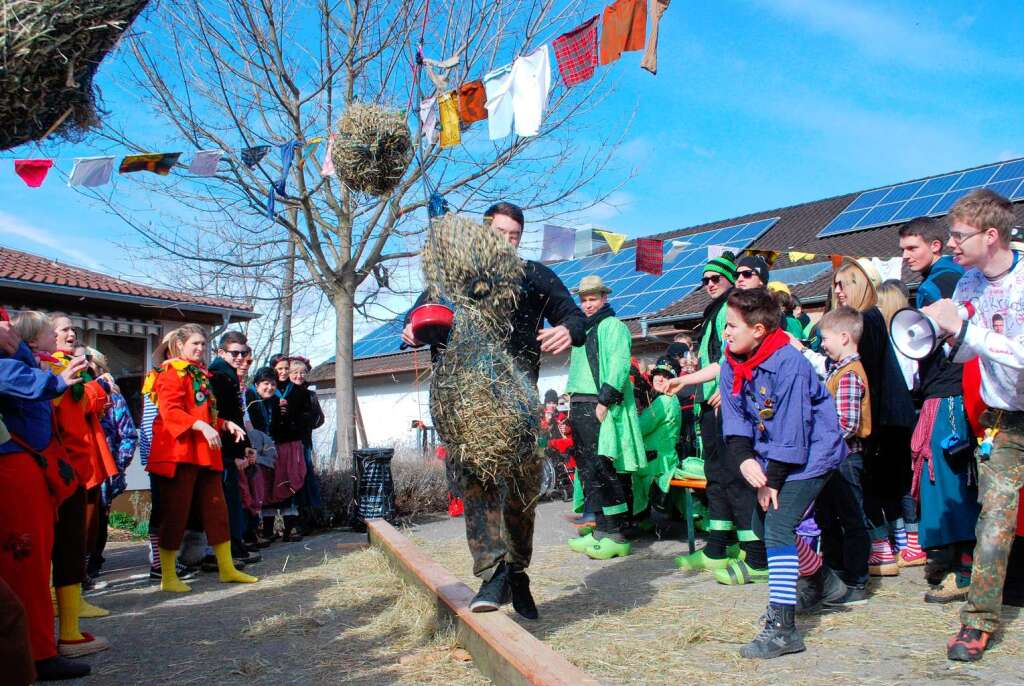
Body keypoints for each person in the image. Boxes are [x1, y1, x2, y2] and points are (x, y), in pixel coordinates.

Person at [401, 201, 585, 619]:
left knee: (522, 494)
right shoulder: (453, 276)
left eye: (514, 236)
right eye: (499, 233)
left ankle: (516, 571)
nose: (506, 241)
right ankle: (493, 573)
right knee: (476, 486)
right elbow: (419, 317)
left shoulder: (532, 275)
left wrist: (569, 331)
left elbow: (572, 313)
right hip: (462, 408)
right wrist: (411, 329)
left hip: (517, 403)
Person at [920, 189, 1024, 661]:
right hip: (1006, 423)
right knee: (994, 521)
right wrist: (938, 336)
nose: (952, 245)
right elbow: (965, 351)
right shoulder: (966, 284)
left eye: (959, 236)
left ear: (991, 234)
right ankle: (979, 621)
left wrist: (968, 332)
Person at [719, 289, 846, 659]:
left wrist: (771, 480)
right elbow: (736, 415)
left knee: (776, 525)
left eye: (731, 326)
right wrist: (743, 457)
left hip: (810, 454)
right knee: (762, 527)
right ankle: (824, 582)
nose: (725, 333)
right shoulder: (733, 362)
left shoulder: (789, 363)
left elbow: (793, 429)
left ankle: (783, 629)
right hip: (771, 453)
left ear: (758, 329)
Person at [670, 252, 771, 586]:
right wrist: (688, 378)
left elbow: (736, 357)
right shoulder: (715, 313)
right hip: (713, 406)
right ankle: (719, 546)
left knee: (738, 477)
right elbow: (721, 358)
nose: (710, 284)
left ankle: (754, 552)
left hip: (732, 408)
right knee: (717, 477)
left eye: (718, 278)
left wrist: (726, 390)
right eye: (706, 280)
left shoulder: (743, 313)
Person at [2, 314, 93, 679]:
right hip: (16, 470)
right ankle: (35, 654)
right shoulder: (16, 364)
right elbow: (17, 379)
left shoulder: (26, 359)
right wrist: (57, 381)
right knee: (25, 562)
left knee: (37, 560)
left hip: (36, 468)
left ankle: (38, 648)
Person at [899, 216, 979, 603]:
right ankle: (949, 560)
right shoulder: (945, 278)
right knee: (941, 479)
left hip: (949, 395)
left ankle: (964, 570)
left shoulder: (944, 282)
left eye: (912, 248)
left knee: (948, 480)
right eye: (902, 249)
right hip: (944, 392)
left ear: (935, 246)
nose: (905, 256)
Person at [144, 324, 256, 592]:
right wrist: (200, 426)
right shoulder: (170, 372)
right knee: (176, 513)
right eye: (195, 344)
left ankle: (227, 568)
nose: (200, 349)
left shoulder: (201, 375)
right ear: (180, 345)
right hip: (180, 454)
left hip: (206, 455)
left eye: (203, 344)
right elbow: (170, 412)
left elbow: (206, 414)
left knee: (217, 511)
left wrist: (225, 424)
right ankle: (168, 576)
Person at [831, 259, 916, 576]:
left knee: (874, 486)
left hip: (879, 418)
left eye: (844, 284)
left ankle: (883, 550)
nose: (838, 291)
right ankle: (904, 544)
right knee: (893, 485)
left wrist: (868, 427)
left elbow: (868, 379)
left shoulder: (866, 319)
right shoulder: (873, 318)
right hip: (889, 415)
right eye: (836, 285)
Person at [44, 314, 117, 653]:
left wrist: (95, 387)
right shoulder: (53, 369)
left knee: (82, 535)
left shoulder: (76, 367)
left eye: (73, 329)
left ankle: (71, 601)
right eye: (64, 330)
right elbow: (84, 403)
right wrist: (98, 386)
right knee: (66, 537)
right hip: (67, 463)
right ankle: (63, 613)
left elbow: (97, 407)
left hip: (83, 459)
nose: (71, 334)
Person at [793, 307, 872, 609]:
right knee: (829, 518)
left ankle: (856, 581)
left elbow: (847, 423)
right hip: (832, 460)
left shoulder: (850, 374)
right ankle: (836, 574)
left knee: (851, 518)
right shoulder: (839, 370)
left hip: (844, 459)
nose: (822, 344)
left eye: (824, 339)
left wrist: (821, 441)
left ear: (844, 337)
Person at [564, 275, 646, 560]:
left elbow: (620, 364)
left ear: (604, 298)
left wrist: (605, 400)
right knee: (588, 470)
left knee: (604, 467)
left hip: (598, 404)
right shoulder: (583, 330)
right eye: (584, 299)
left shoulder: (613, 327)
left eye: (593, 299)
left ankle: (615, 532)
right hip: (580, 403)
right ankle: (599, 529)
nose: (588, 305)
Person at [209, 331, 261, 566]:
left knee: (233, 500)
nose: (241, 357)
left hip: (230, 448)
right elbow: (224, 417)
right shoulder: (219, 376)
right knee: (226, 502)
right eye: (235, 353)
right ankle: (227, 552)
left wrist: (246, 447)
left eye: (244, 353)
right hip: (221, 449)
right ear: (221, 353)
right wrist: (236, 453)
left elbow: (237, 417)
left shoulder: (229, 375)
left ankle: (235, 548)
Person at [87, 348, 139, 581]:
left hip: (105, 468)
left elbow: (128, 435)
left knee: (98, 518)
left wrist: (117, 468)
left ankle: (92, 563)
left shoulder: (113, 398)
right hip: (82, 464)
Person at [247, 365, 310, 542]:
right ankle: (252, 535)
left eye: (273, 384)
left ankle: (264, 533)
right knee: (254, 491)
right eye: (265, 383)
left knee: (272, 486)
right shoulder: (249, 398)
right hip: (251, 451)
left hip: (269, 450)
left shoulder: (275, 402)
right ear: (257, 384)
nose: (270, 387)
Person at [634, 357, 682, 521]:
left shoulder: (663, 401)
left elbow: (639, 428)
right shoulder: (671, 399)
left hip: (656, 465)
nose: (660, 378)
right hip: (663, 460)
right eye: (658, 374)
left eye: (666, 376)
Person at [289, 357, 325, 531]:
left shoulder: (310, 394)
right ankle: (295, 518)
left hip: (304, 440)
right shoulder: (285, 393)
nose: (299, 376)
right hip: (288, 442)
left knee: (306, 475)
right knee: (293, 477)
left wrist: (307, 423)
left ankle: (312, 517)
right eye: (295, 373)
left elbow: (320, 418)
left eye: (302, 372)